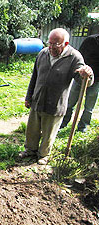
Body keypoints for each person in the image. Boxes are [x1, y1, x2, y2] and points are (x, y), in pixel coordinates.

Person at [19, 28, 94, 165]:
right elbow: (34, 77)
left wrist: (87, 75)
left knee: (49, 132)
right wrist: (28, 97)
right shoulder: (43, 53)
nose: (51, 47)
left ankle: (43, 155)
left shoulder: (74, 57)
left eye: (56, 44)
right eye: (50, 43)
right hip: (38, 99)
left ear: (65, 44)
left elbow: (84, 81)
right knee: (32, 129)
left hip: (56, 103)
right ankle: (30, 150)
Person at [60, 34, 99, 132]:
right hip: (80, 77)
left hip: (97, 80)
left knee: (89, 107)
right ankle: (63, 123)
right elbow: (79, 56)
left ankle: (83, 127)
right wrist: (81, 70)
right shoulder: (90, 40)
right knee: (70, 102)